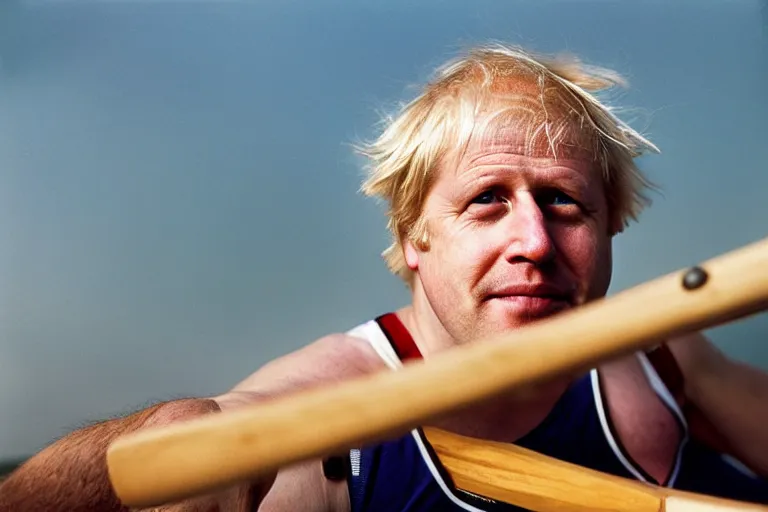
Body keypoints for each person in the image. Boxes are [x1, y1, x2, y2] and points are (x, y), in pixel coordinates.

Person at [1, 43, 767, 512]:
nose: (533, 240)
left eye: (565, 203)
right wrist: (165, 436)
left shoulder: (665, 359)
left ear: (610, 230)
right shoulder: (335, 428)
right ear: (414, 238)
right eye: (486, 201)